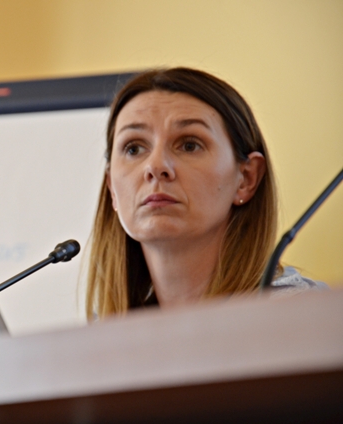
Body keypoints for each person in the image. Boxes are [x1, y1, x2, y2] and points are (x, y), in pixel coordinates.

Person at [85, 67, 324, 320]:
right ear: (111, 188)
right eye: (134, 148)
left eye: (189, 145)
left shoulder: (302, 314)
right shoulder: (106, 329)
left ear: (246, 178)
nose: (155, 166)